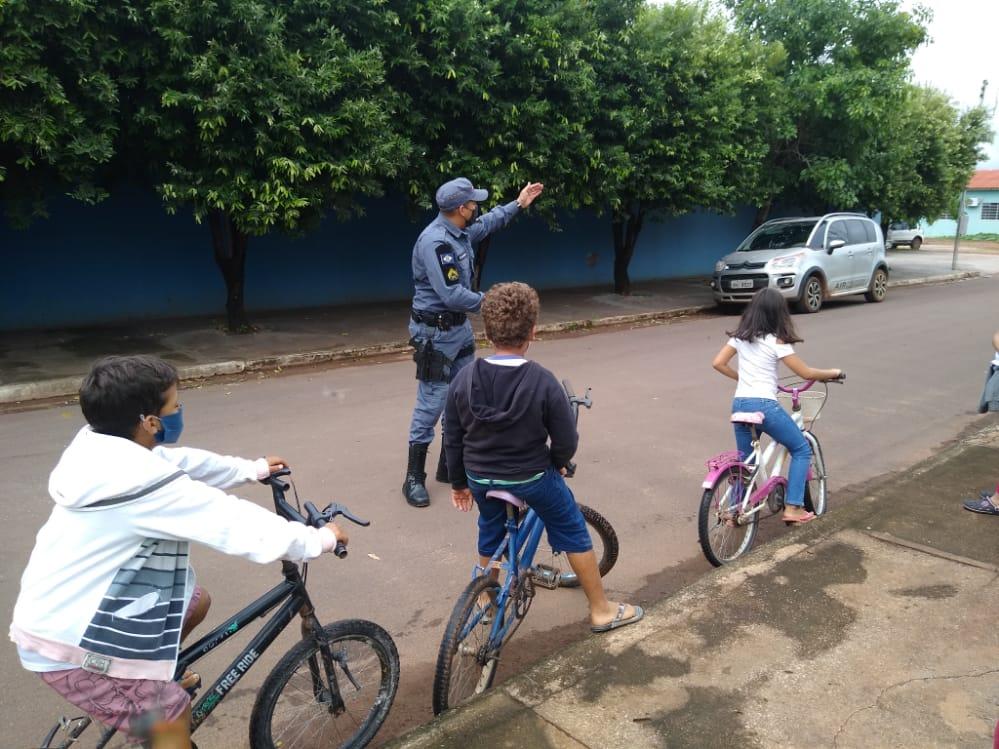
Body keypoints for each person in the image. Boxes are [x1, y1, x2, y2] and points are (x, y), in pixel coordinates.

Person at [9, 355, 347, 748]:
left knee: (195, 600)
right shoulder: (141, 485)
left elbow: (179, 461)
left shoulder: (104, 446)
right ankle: (149, 717)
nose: (179, 412)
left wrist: (248, 469)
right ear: (149, 422)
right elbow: (232, 523)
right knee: (171, 714)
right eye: (174, 406)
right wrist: (317, 540)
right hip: (69, 646)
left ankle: (146, 682)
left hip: (80, 602)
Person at [444, 282, 643, 633]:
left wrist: (459, 483)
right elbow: (566, 439)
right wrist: (559, 459)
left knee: (489, 528)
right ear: (533, 332)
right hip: (531, 476)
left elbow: (453, 436)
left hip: (480, 477)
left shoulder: (464, 378)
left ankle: (485, 599)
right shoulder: (542, 381)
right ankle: (600, 609)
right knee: (570, 526)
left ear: (486, 332)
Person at [403, 177, 544, 508]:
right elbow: (452, 295)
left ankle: (450, 466)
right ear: (459, 209)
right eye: (472, 203)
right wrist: (495, 303)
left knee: (467, 396)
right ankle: (413, 476)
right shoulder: (435, 243)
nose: (476, 206)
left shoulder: (459, 231)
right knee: (433, 402)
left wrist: (519, 203)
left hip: (459, 331)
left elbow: (489, 222)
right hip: (435, 334)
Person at [711, 288, 842, 525]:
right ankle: (793, 507)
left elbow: (718, 363)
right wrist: (832, 373)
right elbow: (805, 372)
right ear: (778, 314)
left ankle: (735, 511)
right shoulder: (776, 341)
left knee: (745, 462)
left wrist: (741, 378)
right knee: (801, 449)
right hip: (765, 404)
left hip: (740, 404)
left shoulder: (739, 338)